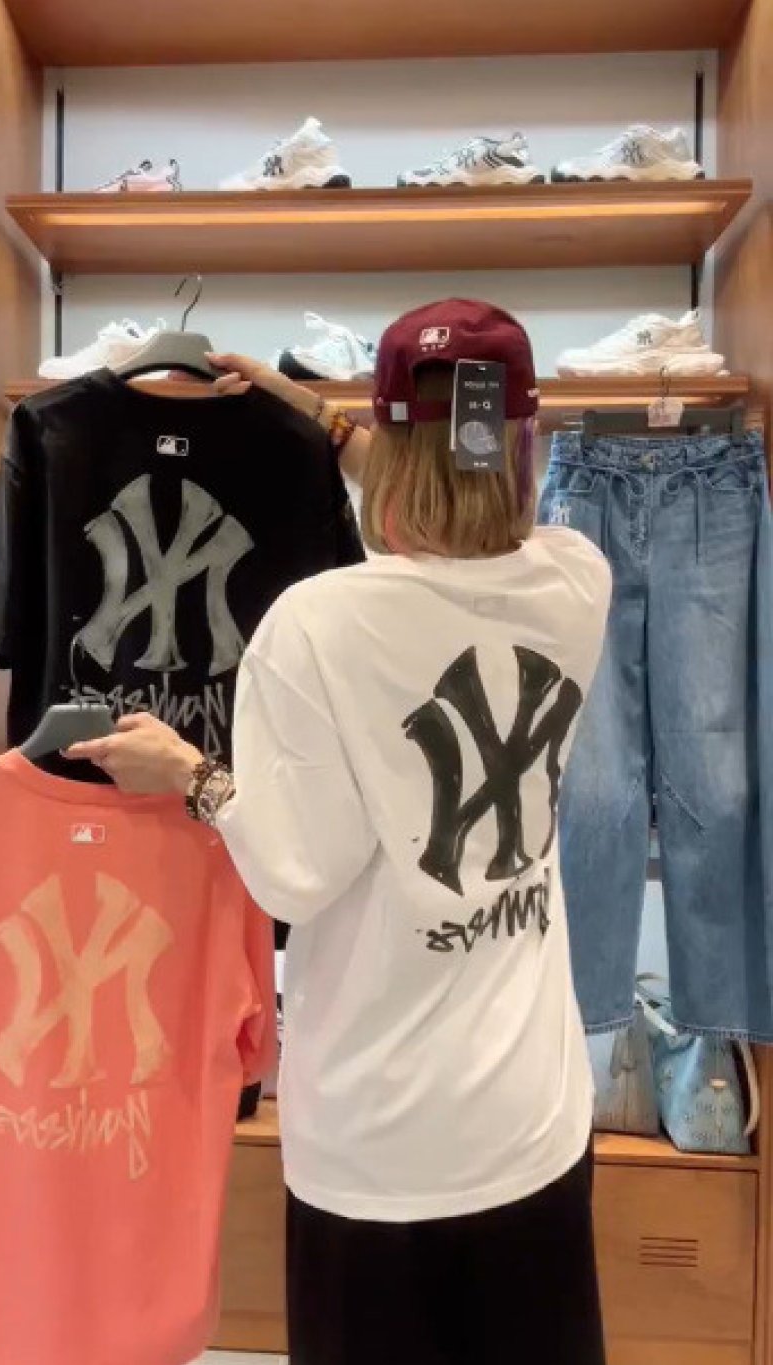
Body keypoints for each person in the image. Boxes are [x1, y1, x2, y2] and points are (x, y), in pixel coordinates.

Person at [67, 300, 613, 1365]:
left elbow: (295, 875)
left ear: (389, 440)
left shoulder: (314, 623)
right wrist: (317, 416)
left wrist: (190, 774)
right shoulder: (574, 580)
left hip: (376, 1140)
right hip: (531, 1120)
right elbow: (463, 504)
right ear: (527, 438)